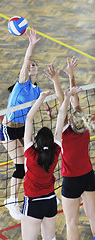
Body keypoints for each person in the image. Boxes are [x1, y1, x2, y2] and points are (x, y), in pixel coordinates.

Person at [0, 28, 54, 220]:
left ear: (37, 70)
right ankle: (12, 200)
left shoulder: (36, 88)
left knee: (33, 162)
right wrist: (31, 46)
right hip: (9, 130)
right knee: (20, 165)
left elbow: (42, 96)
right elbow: (26, 60)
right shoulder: (21, 82)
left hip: (23, 129)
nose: (31, 66)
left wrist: (48, 109)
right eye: (29, 65)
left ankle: (36, 193)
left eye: (34, 65)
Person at [44, 56, 95, 240]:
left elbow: (62, 103)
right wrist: (70, 75)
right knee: (93, 218)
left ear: (70, 123)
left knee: (71, 222)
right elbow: (74, 102)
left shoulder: (64, 133)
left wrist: (55, 79)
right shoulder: (86, 129)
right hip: (89, 176)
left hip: (71, 181)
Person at [21, 87, 82, 240]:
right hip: (50, 202)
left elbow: (28, 119)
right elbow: (61, 117)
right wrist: (66, 97)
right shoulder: (55, 153)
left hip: (33, 203)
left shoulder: (31, 153)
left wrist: (40, 98)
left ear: (36, 142)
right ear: (51, 142)